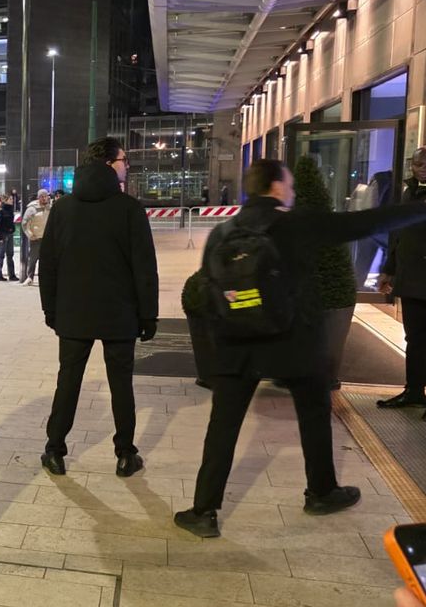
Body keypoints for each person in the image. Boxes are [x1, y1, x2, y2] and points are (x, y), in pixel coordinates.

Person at [174, 159, 426, 539]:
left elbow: (211, 291)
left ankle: (203, 511)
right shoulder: (298, 223)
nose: (291, 191)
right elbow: (367, 223)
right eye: (288, 185)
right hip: (294, 343)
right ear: (276, 187)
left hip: (236, 347)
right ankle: (322, 492)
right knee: (314, 414)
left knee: (222, 427)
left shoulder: (224, 231)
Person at [38, 138, 157, 478]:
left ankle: (54, 450)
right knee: (121, 384)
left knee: (68, 382)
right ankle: (125, 454)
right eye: (123, 160)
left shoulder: (63, 209)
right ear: (108, 164)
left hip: (73, 312)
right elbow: (144, 267)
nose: (126, 166)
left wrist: (50, 309)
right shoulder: (129, 209)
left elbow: (49, 265)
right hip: (120, 313)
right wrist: (148, 314)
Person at [378, 149, 426, 410]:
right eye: (418, 163)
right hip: (411, 280)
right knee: (414, 339)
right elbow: (398, 236)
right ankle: (414, 391)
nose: (422, 167)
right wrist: (389, 270)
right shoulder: (409, 193)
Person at [21, 188, 52, 285]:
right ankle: (30, 277)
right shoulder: (32, 209)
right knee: (33, 259)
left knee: (46, 260)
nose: (44, 198)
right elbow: (25, 223)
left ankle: (45, 279)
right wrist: (30, 234)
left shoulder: (50, 208)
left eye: (46, 196)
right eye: (42, 196)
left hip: (47, 239)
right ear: (38, 198)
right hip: (36, 238)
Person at [0, 194, 18, 281]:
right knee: (1, 255)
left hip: (10, 234)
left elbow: (11, 222)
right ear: (5, 200)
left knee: (10, 254)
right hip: (3, 234)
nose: (12, 200)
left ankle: (12, 275)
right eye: (10, 199)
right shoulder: (1, 210)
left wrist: (12, 229)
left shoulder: (10, 210)